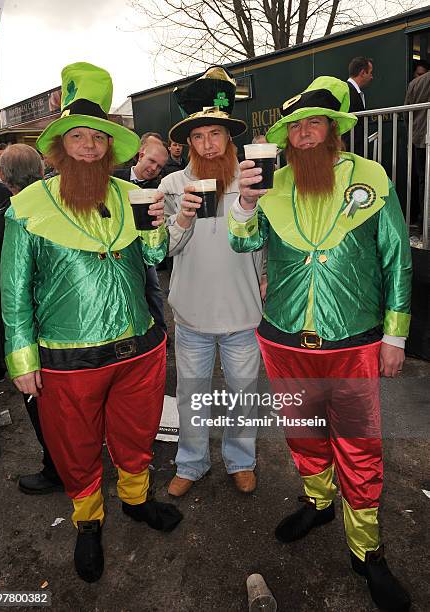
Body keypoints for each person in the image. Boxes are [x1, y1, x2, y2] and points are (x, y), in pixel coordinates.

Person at [229, 76, 412, 612]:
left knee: (359, 447)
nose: (304, 135)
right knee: (304, 434)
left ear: (333, 131)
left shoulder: (371, 177)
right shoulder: (273, 184)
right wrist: (243, 200)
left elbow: (396, 258)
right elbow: (246, 241)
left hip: (353, 341)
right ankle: (318, 502)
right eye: (296, 128)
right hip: (284, 339)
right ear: (286, 139)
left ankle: (367, 550)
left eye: (315, 125)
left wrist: (395, 335)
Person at [1, 62, 182, 583]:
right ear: (58, 148)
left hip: (140, 349)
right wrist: (21, 358)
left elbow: (153, 255)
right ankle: (87, 523)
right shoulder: (27, 206)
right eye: (76, 137)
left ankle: (133, 500)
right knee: (76, 446)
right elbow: (14, 291)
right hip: (67, 357)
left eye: (97, 138)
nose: (88, 146)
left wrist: (158, 228)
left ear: (109, 145)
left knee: (137, 433)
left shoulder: (131, 196)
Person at [159, 66, 263, 497]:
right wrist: (181, 217)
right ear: (189, 142)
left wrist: (265, 275)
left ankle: (241, 460)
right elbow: (163, 250)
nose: (207, 143)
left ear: (228, 138)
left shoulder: (254, 179)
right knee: (192, 394)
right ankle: (192, 462)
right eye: (198, 136)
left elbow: (264, 242)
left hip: (242, 312)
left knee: (243, 393)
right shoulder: (171, 184)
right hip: (192, 314)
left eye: (214, 135)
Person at [0, 144, 64, 492]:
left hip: (30, 330)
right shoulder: (62, 203)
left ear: (2, 176)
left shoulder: (8, 218)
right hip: (69, 325)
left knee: (41, 406)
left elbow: (1, 288)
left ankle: (57, 469)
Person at [114, 141, 169, 335]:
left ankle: (160, 334)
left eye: (160, 166)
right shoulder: (114, 178)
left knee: (153, 288)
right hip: (117, 249)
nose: (154, 168)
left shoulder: (158, 188)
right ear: (140, 155)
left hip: (145, 250)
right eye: (151, 161)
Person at [404, 69, 430, 225]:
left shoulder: (415, 83)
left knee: (423, 181)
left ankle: (424, 223)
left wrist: (413, 135)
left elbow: (407, 113)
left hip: (420, 138)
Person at [343, 57, 373, 155]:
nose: (371, 77)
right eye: (370, 73)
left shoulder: (353, 91)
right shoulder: (347, 91)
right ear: (363, 73)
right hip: (349, 151)